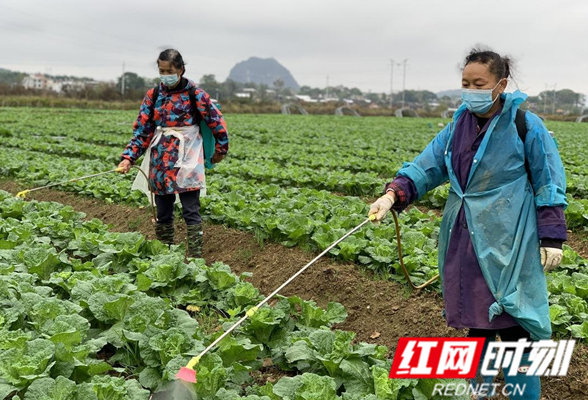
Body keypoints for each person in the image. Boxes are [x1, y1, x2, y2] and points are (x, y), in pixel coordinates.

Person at [369, 48, 567, 400]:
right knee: (478, 324)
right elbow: (427, 166)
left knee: (516, 326)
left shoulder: (525, 125)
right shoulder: (458, 125)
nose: (471, 89)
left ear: (500, 84)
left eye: (479, 83)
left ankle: (525, 395)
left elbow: (548, 180)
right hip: (468, 241)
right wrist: (393, 194)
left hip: (512, 242)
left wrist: (552, 235)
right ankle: (479, 394)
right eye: (465, 83)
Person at [117, 49, 229, 258]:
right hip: (161, 158)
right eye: (162, 70)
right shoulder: (154, 95)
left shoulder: (195, 94)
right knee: (163, 211)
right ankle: (165, 255)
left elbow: (216, 121)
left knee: (190, 208)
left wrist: (221, 149)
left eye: (170, 70)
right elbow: (142, 130)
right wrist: (128, 158)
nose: (166, 75)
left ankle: (195, 256)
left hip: (188, 156)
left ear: (181, 69)